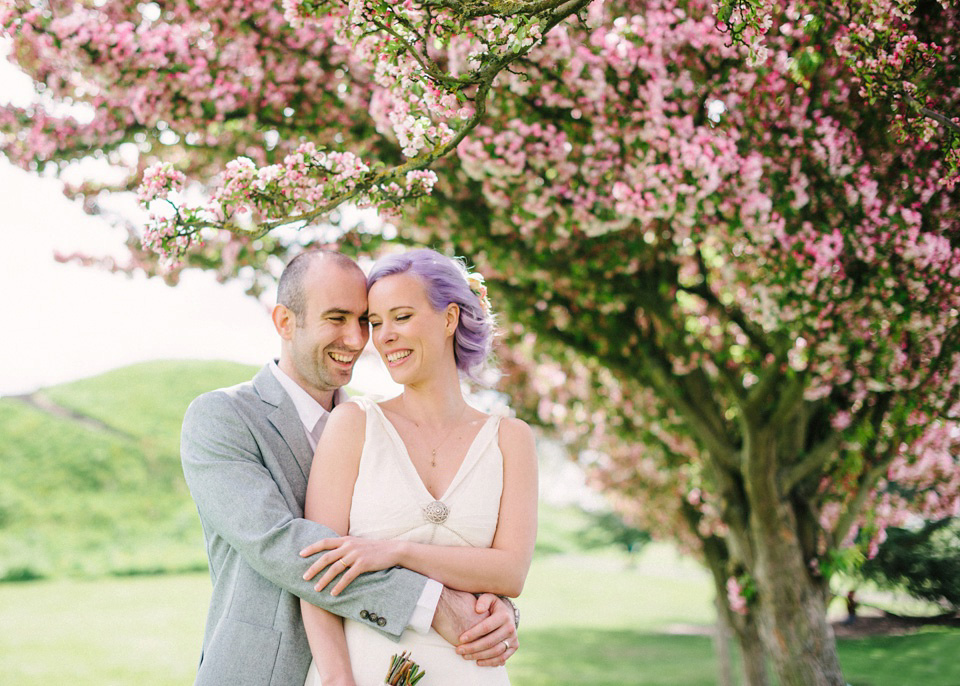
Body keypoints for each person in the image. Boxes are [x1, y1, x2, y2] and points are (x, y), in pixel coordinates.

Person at [180, 251, 518, 686]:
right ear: (284, 321)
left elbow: (424, 533)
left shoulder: (375, 423)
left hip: (382, 666)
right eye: (337, 318)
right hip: (263, 671)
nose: (358, 340)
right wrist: (428, 602)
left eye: (365, 321)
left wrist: (489, 610)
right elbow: (281, 544)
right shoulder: (222, 417)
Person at [297, 249, 538, 685]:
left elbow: (510, 571)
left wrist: (396, 552)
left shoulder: (511, 440)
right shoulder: (353, 425)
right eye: (376, 322)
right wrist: (336, 679)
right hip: (360, 670)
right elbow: (316, 572)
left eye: (401, 317)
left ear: (449, 320)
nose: (383, 336)